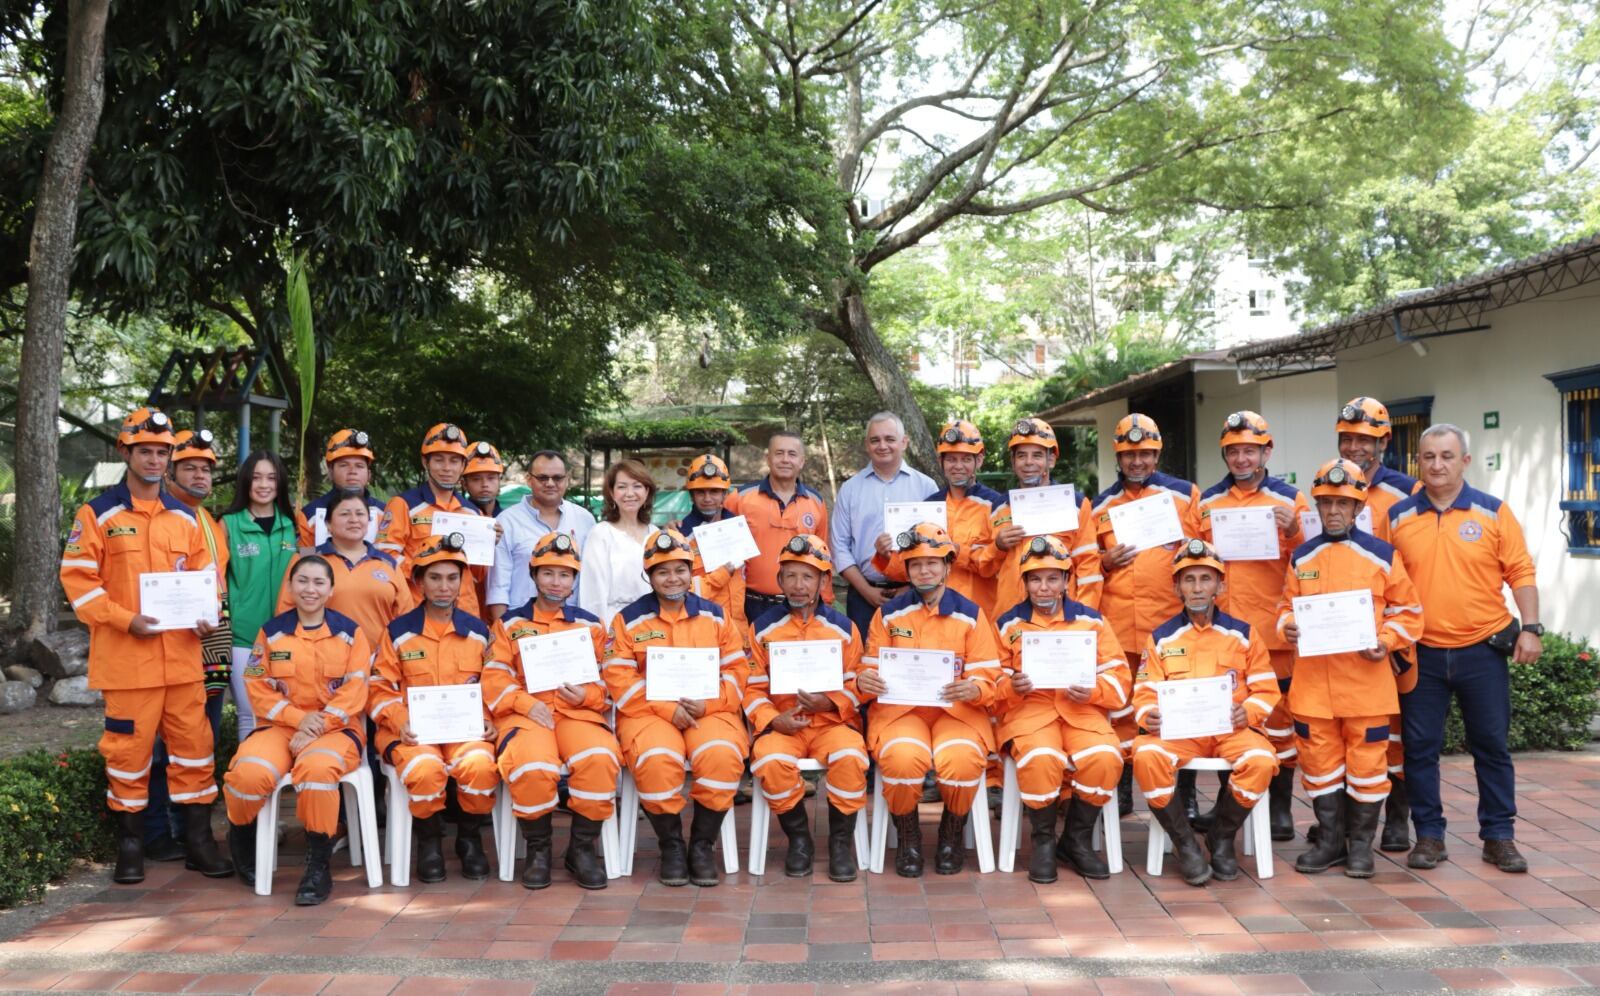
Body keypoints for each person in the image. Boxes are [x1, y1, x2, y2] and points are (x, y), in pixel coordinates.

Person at [59, 407, 232, 884]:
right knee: (128, 756)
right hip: (127, 664)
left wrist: (207, 617)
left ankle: (199, 842)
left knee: (195, 751)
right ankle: (131, 846)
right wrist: (125, 619)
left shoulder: (187, 519)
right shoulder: (97, 514)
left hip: (182, 662)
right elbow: (78, 582)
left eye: (162, 452)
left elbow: (207, 581)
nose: (154, 460)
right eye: (146, 451)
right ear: (126, 452)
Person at [1388, 424, 1541, 874]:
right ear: (1419, 461)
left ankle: (1499, 837)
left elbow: (1521, 570)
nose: (1437, 465)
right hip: (1422, 652)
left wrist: (1530, 627)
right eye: (1429, 456)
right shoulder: (1398, 517)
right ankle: (1430, 837)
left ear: (1465, 461)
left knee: (1491, 746)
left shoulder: (1493, 513)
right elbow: (1381, 579)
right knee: (1419, 748)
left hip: (1483, 650)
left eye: (1447, 456)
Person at [1279, 460, 1423, 878]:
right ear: (1318, 507)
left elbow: (1409, 612)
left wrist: (1386, 640)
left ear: (1359, 505)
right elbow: (1285, 607)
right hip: (1314, 688)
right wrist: (1286, 627)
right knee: (1320, 766)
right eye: (1326, 503)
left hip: (1366, 685)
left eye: (1344, 503)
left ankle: (1361, 846)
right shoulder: (1302, 555)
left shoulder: (1382, 556)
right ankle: (1329, 842)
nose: (1334, 511)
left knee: (1367, 768)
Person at [603, 528, 749, 887]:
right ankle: (670, 845)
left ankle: (701, 845)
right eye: (662, 571)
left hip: (710, 711)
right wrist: (667, 710)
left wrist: (708, 704)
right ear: (649, 576)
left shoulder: (716, 617)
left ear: (691, 571)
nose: (673, 578)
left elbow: (736, 669)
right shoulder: (628, 620)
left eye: (680, 569)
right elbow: (618, 675)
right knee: (656, 757)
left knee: (722, 754)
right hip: (649, 713)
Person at [222, 555, 370, 904]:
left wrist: (317, 725)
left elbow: (356, 690)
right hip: (280, 727)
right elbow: (256, 687)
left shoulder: (351, 634)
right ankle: (240, 835)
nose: (310, 589)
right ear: (290, 587)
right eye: (302, 581)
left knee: (318, 771)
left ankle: (318, 863)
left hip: (335, 729)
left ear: (331, 590)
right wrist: (296, 719)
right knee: (248, 775)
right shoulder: (272, 632)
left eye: (319, 582)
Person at [1131, 540, 1280, 886]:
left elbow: (1267, 688)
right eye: (1189, 579)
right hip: (1178, 733)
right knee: (1146, 755)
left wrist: (1249, 713)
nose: (1197, 587)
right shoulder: (1162, 638)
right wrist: (1148, 714)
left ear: (1220, 585)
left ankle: (1222, 836)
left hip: (1232, 730)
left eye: (1205, 579)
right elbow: (1144, 691)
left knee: (1260, 761)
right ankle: (1185, 843)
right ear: (1176, 587)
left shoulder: (1243, 635)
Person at [856, 523, 1001, 877]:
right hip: (900, 711)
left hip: (959, 711)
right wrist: (866, 679)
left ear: (948, 566)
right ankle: (908, 836)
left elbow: (988, 672)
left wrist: (976, 688)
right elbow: (870, 664)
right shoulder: (888, 614)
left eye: (933, 563)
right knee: (902, 757)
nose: (925, 570)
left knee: (962, 758)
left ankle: (952, 831)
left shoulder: (971, 613)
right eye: (916, 564)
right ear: (905, 569)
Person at [486, 532, 620, 890]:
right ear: (533, 574)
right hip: (528, 717)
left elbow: (612, 679)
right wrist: (524, 702)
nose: (556, 582)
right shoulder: (509, 624)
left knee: (600, 757)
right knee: (532, 764)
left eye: (564, 574)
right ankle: (539, 849)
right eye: (548, 573)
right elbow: (494, 676)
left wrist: (587, 695)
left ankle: (581, 849)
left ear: (575, 580)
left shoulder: (590, 625)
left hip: (578, 714)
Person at [1198, 411, 1308, 841]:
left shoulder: (1290, 500)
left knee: (1279, 723)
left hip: (1272, 632)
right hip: (1223, 634)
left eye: (1250, 450)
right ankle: (1232, 810)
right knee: (1227, 721)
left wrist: (1296, 530)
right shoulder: (1206, 502)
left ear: (1267, 451)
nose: (1242, 458)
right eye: (1233, 451)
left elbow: (1310, 558)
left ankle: (1279, 810)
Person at [994, 536, 1128, 883]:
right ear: (1023, 583)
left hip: (1082, 712)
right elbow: (991, 680)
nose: (1044, 587)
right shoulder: (1007, 625)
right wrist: (1011, 686)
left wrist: (1094, 691)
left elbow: (1119, 676)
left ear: (1067, 581)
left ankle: (1076, 839)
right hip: (1030, 714)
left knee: (1105, 756)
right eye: (1035, 579)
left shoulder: (1093, 622)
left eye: (1053, 578)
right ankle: (1042, 842)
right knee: (1041, 758)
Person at [370, 534, 501, 882]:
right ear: (419, 583)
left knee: (481, 766)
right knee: (425, 769)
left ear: (463, 582)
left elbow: (495, 683)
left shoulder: (479, 632)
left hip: (467, 731)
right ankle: (429, 842)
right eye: (435, 578)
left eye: (452, 578)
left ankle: (469, 839)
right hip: (413, 733)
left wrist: (489, 719)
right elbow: (379, 687)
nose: (444, 586)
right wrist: (401, 721)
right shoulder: (397, 633)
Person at [1091, 414, 1202, 815]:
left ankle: (1184, 794)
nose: (1137, 461)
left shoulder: (1186, 496)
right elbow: (1086, 565)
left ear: (1157, 453)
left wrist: (1187, 547)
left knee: (1178, 709)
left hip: (1169, 624)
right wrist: (1105, 561)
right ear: (1118, 456)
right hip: (1119, 624)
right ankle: (1120, 789)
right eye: (1129, 454)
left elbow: (1206, 552)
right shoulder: (1101, 505)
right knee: (1120, 710)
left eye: (1145, 453)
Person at [744, 535, 868, 881]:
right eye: (791, 576)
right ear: (779, 580)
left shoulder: (844, 629)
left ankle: (841, 843)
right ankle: (799, 839)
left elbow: (859, 682)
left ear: (825, 581)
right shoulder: (762, 629)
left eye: (808, 576)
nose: (799, 586)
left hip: (831, 724)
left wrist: (830, 702)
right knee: (769, 761)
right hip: (784, 725)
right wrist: (773, 719)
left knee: (851, 758)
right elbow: (750, 688)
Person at [1335, 396, 1423, 852]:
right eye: (1347, 439)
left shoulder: (1408, 493)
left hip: (1391, 632)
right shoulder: (1326, 488)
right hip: (1341, 636)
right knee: (1350, 730)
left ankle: (1397, 818)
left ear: (1384, 441)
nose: (1354, 448)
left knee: (1395, 732)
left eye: (1365, 440)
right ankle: (1352, 822)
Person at [144, 429, 232, 862]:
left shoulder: (211, 522)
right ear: (171, 471)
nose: (200, 475)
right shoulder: (159, 515)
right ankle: (157, 833)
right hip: (166, 643)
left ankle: (187, 828)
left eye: (206, 469)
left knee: (200, 738)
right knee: (162, 744)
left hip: (210, 638)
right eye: (190, 467)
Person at [868, 419, 1005, 615]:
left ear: (979, 460)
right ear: (941, 461)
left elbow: (996, 565)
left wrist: (956, 551)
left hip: (981, 613)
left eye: (966, 459)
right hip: (933, 613)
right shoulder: (928, 507)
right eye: (951, 459)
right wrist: (885, 556)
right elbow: (909, 569)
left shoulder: (996, 506)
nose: (958, 466)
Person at [830, 412, 937, 640]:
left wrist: (910, 587)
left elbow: (938, 543)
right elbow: (839, 546)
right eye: (875, 440)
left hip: (915, 591)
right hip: (863, 594)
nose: (882, 446)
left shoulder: (926, 486)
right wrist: (866, 590)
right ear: (867, 445)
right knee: (865, 662)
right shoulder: (850, 489)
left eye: (889, 439)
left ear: (904, 442)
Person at [983, 417, 1102, 616]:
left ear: (1051, 460)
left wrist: (1083, 617)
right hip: (1010, 620)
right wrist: (997, 547)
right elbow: (983, 568)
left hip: (1061, 617)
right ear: (1013, 461)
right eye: (1021, 455)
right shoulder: (998, 509)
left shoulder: (1076, 505)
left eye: (1037, 455)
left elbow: (1089, 567)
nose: (1029, 462)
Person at [221, 451, 299, 742]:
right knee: (249, 712)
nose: (264, 484)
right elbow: (216, 580)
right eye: (256, 477)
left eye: (271, 477)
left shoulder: (293, 525)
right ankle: (249, 782)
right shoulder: (228, 525)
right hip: (244, 636)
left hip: (289, 635)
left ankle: (284, 783)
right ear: (245, 482)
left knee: (289, 711)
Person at [276, 490, 413, 649]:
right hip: (321, 662)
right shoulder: (304, 558)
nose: (354, 520)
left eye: (360, 514)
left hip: (378, 664)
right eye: (345, 514)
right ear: (328, 524)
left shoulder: (388, 563)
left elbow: (405, 619)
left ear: (368, 522)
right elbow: (284, 613)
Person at [376, 423, 488, 615]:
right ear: (425, 462)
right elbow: (385, 556)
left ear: (463, 465)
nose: (447, 468)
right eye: (438, 460)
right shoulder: (404, 504)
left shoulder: (474, 514)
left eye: (454, 461)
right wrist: (425, 570)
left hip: (465, 614)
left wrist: (488, 543)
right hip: (418, 610)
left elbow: (477, 574)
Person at [725, 430, 830, 625]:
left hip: (802, 605)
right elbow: (714, 541)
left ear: (802, 461)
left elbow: (823, 558)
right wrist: (680, 528)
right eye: (779, 453)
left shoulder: (816, 502)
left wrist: (827, 602)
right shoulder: (740, 498)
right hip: (751, 604)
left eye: (792, 454)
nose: (785, 459)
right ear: (768, 458)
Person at [487, 450, 595, 619]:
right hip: (522, 624)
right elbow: (498, 587)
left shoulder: (585, 520)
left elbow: (591, 580)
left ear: (567, 479)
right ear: (529, 479)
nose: (550, 483)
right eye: (543, 478)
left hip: (572, 623)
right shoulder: (506, 521)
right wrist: (501, 630)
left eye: (557, 478)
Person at [576, 458, 656, 623]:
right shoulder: (601, 533)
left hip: (654, 624)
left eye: (637, 486)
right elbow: (592, 593)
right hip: (616, 623)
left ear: (647, 492)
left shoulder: (655, 533)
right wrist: (601, 634)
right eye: (622, 487)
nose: (629, 493)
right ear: (612, 493)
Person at [296, 430, 386, 550]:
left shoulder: (385, 513)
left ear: (369, 474)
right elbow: (305, 561)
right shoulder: (310, 515)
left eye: (359, 466)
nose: (352, 471)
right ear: (331, 472)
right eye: (344, 465)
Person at [463, 441, 507, 517]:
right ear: (464, 485)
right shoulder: (456, 517)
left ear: (499, 481)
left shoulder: (509, 519)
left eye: (491, 478)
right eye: (476, 479)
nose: (485, 484)